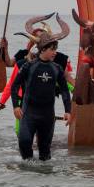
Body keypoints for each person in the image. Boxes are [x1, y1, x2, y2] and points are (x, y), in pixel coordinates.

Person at [0, 14, 73, 127]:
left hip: (47, 98)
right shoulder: (24, 56)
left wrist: (80, 93)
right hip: (27, 98)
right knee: (21, 132)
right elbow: (10, 68)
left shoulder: (57, 57)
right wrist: (4, 48)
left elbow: (68, 80)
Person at [11, 30, 72, 161]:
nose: (55, 52)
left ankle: (45, 180)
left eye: (56, 49)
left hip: (47, 116)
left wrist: (68, 110)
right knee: (25, 143)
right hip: (29, 114)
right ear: (43, 49)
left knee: (45, 152)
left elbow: (65, 90)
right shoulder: (29, 66)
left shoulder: (57, 68)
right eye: (52, 49)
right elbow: (14, 85)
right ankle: (27, 175)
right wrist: (16, 106)